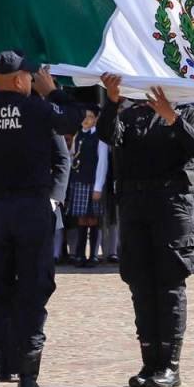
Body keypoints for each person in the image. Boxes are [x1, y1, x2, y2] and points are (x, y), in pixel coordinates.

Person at [0, 54, 81, 387]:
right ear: (17, 80)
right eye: (30, 75)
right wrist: (53, 92)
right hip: (30, 211)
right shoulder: (36, 109)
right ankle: (28, 379)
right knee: (33, 290)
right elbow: (72, 119)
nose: (33, 79)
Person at [100, 75, 194, 387]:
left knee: (169, 281)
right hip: (136, 205)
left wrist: (171, 117)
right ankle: (149, 362)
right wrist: (110, 102)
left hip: (172, 205)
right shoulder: (130, 114)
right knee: (140, 282)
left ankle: (169, 365)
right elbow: (109, 136)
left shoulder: (188, 111)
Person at [64, 102, 108, 268]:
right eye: (85, 116)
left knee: (93, 220)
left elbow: (102, 162)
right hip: (79, 180)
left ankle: (93, 256)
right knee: (81, 219)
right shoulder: (78, 135)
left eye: (90, 117)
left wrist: (98, 187)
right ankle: (80, 254)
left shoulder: (99, 138)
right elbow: (72, 157)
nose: (86, 120)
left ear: (96, 119)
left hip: (92, 181)